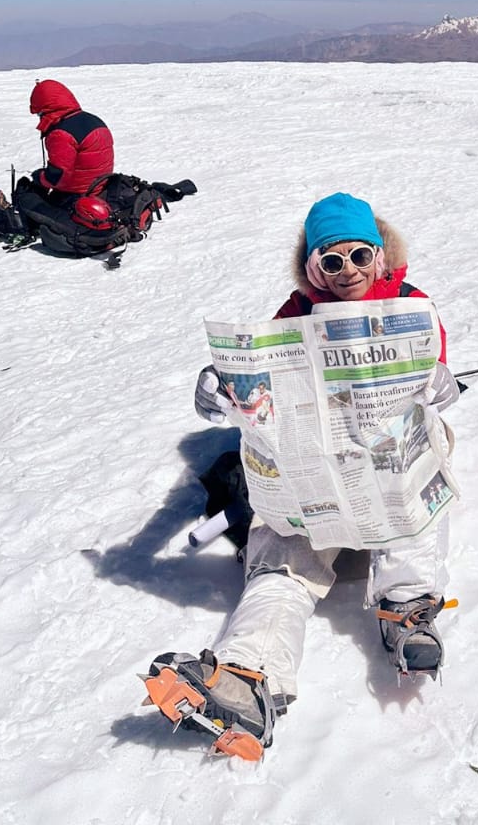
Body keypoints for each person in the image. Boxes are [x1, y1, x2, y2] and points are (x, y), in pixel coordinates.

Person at [144, 192, 460, 758]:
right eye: (330, 262)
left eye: (360, 257)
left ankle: (407, 606)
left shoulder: (412, 305)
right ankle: (247, 675)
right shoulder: (295, 316)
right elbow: (257, 378)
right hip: (313, 476)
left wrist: (439, 380)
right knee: (282, 556)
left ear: (381, 257)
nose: (348, 273)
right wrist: (220, 390)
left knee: (410, 481)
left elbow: (433, 374)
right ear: (311, 267)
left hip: (385, 465)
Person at [12, 80, 115, 240]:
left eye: (39, 113)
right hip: (101, 189)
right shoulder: (94, 120)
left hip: (78, 196)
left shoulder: (60, 133)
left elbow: (58, 177)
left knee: (26, 195)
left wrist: (38, 177)